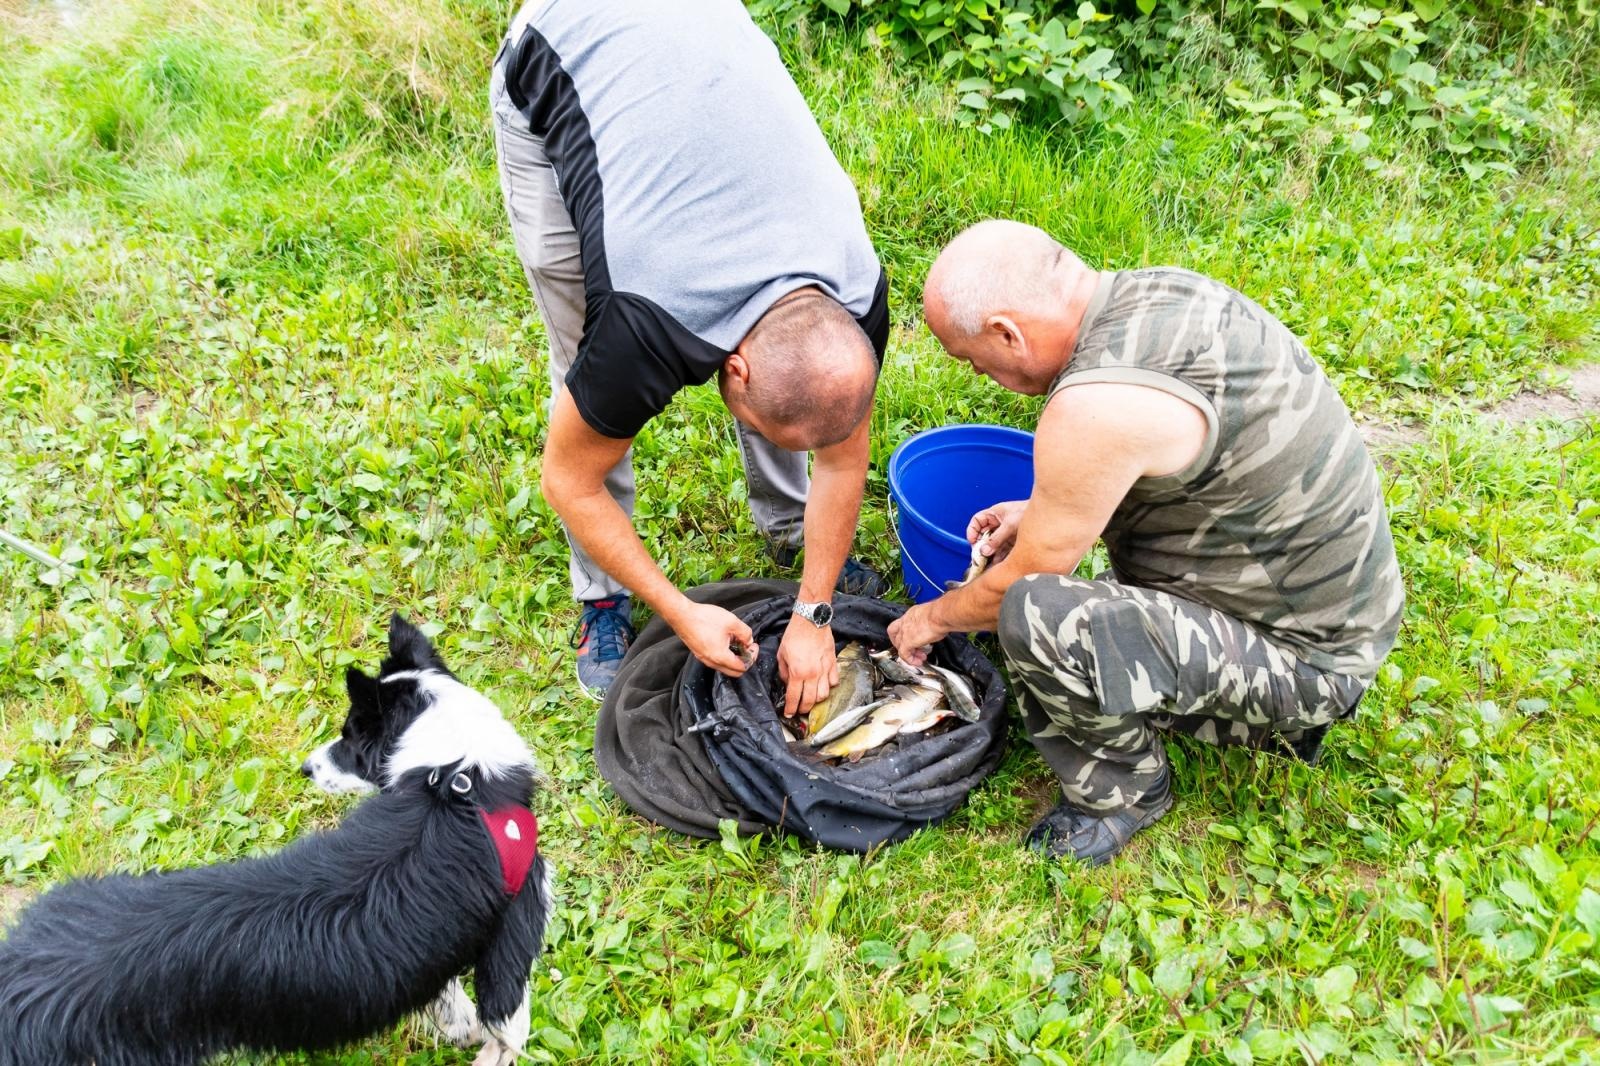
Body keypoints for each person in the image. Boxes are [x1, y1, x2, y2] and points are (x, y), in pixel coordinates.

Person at [888, 220, 1403, 865]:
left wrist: (927, 619)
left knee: (1036, 613)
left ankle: (1125, 790)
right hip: (1342, 613)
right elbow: (1158, 454)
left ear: (1006, 333)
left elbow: (1016, 587)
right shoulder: (1158, 298)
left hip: (1313, 664)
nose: (978, 374)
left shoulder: (1093, 406)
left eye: (970, 358)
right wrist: (1038, 507)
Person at [490, 0, 889, 703]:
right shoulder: (640, 321)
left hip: (701, 35)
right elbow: (567, 479)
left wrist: (814, 612)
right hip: (561, 45)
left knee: (800, 398)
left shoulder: (854, 303)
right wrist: (681, 612)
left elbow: (840, 449)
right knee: (579, 343)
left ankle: (793, 526)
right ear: (727, 368)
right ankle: (603, 598)